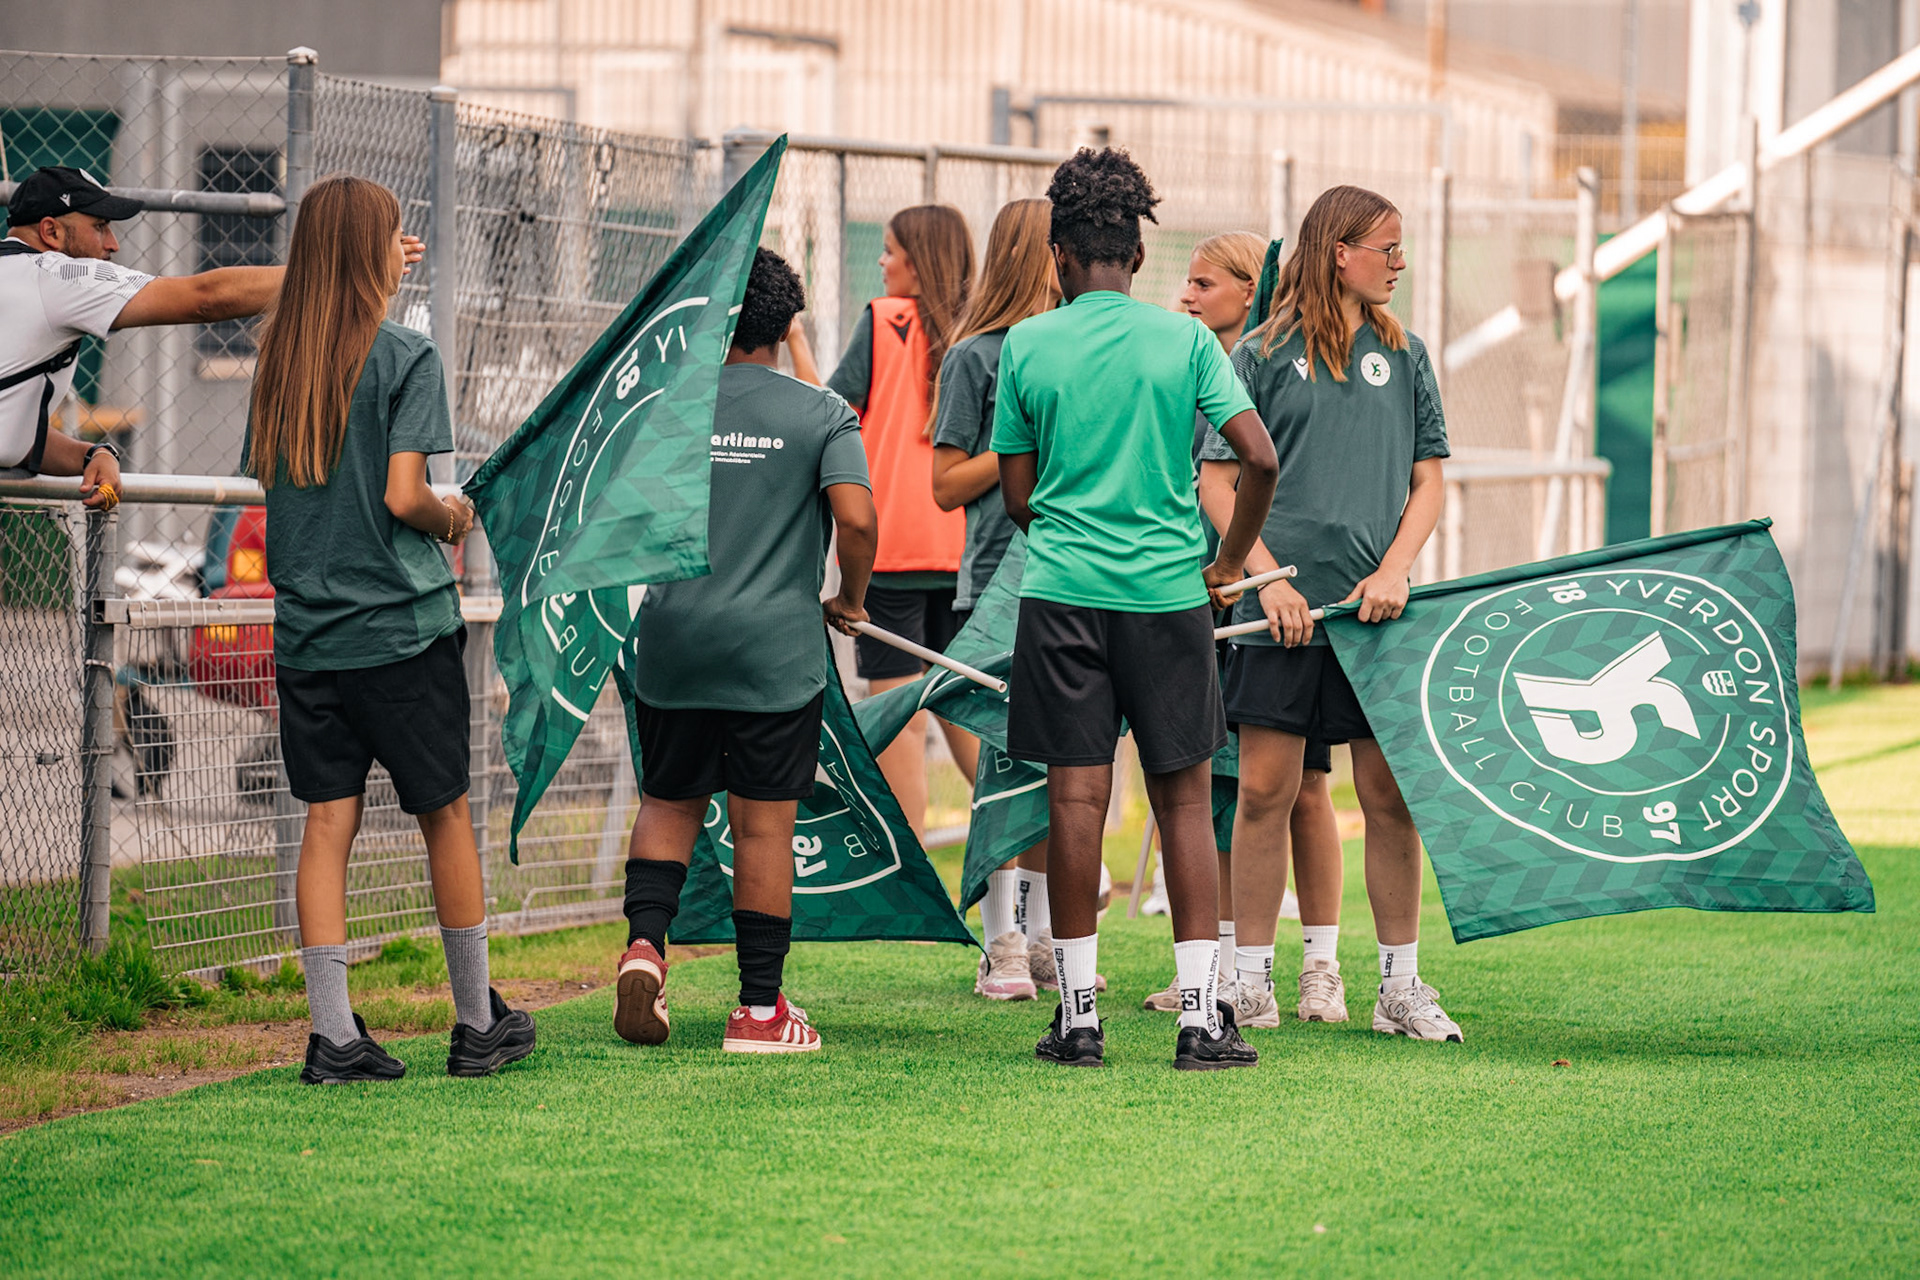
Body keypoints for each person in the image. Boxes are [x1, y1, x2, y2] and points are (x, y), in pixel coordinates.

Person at [242, 174, 533, 1084]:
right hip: (402, 631)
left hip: (308, 641)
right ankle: (477, 1022)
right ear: (377, 253)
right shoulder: (408, 357)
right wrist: (454, 519)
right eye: (397, 238)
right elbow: (404, 496)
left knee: (326, 825)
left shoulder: (278, 361)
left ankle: (332, 1035)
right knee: (446, 815)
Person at [993, 148, 1278, 1071]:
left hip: (1062, 596)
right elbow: (1259, 460)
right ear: (1138, 256)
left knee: (1075, 802)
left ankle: (1078, 1021)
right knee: (1185, 801)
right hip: (1167, 599)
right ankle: (1202, 1019)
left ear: (1060, 258)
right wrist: (1227, 563)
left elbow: (1015, 497)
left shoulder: (1029, 344)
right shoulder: (1186, 341)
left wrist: (1076, 517)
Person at [1197, 184, 1461, 1042]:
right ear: (1338, 250)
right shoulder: (1264, 352)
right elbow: (1217, 478)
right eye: (1387, 246)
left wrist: (1394, 570)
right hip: (1282, 618)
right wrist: (1266, 580)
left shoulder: (1407, 354)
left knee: (1390, 799)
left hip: (1377, 619)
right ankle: (1250, 985)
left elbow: (1429, 481)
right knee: (1266, 791)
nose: (1400, 262)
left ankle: (1399, 989)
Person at [613, 248, 877, 1056]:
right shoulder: (821, 412)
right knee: (762, 828)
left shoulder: (668, 407)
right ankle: (759, 1012)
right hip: (773, 652)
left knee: (668, 802)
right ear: (786, 325)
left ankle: (645, 950)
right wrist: (851, 598)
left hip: (670, 643)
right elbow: (858, 521)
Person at [1140, 231, 1335, 1028]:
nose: (1187, 295)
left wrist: (1256, 572)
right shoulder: (1188, 368)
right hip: (1202, 602)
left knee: (1305, 788)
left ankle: (1320, 968)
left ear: (1252, 289)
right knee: (1223, 787)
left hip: (1271, 605)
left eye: (1204, 282)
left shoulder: (1269, 369)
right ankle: (1220, 968)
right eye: (1185, 282)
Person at [2, 165, 420, 505]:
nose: (112, 243)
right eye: (99, 226)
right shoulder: (53, 274)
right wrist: (349, 267)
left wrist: (93, 453)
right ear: (51, 232)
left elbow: (13, 438)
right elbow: (206, 298)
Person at [929, 197, 1060, 1001]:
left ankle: (1045, 937)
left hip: (1072, 578)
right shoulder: (975, 358)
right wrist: (1018, 450)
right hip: (992, 588)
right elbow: (945, 484)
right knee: (1001, 761)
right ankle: (1001, 939)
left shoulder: (1075, 345)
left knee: (1057, 761)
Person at [827, 205, 978, 833]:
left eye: (890, 251)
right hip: (965, 551)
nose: (882, 262)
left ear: (917, 263)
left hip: (890, 550)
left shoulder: (885, 319)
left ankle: (912, 876)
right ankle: (1046, 856)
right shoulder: (984, 333)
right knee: (966, 710)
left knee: (899, 718)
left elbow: (830, 415)